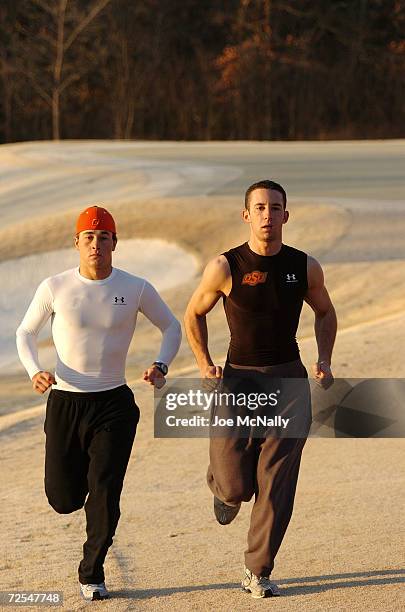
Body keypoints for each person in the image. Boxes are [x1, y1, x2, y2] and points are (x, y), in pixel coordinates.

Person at [16, 205, 181, 601]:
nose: (96, 244)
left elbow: (171, 325)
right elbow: (25, 331)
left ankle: (92, 571)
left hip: (114, 404)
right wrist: (34, 370)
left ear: (114, 243)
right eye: (88, 238)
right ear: (77, 243)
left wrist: (161, 364)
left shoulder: (135, 287)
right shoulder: (54, 287)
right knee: (63, 499)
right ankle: (81, 502)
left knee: (105, 490)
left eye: (103, 237)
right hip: (66, 403)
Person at [184, 180, 336, 598]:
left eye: (276, 207)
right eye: (260, 207)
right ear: (246, 215)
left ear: (286, 215)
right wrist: (203, 362)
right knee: (236, 485)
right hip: (237, 380)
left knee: (277, 481)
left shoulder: (304, 266)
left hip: (288, 379)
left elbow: (325, 312)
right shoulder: (225, 266)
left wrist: (324, 359)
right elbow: (193, 314)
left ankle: (258, 570)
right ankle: (224, 491)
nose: (268, 214)